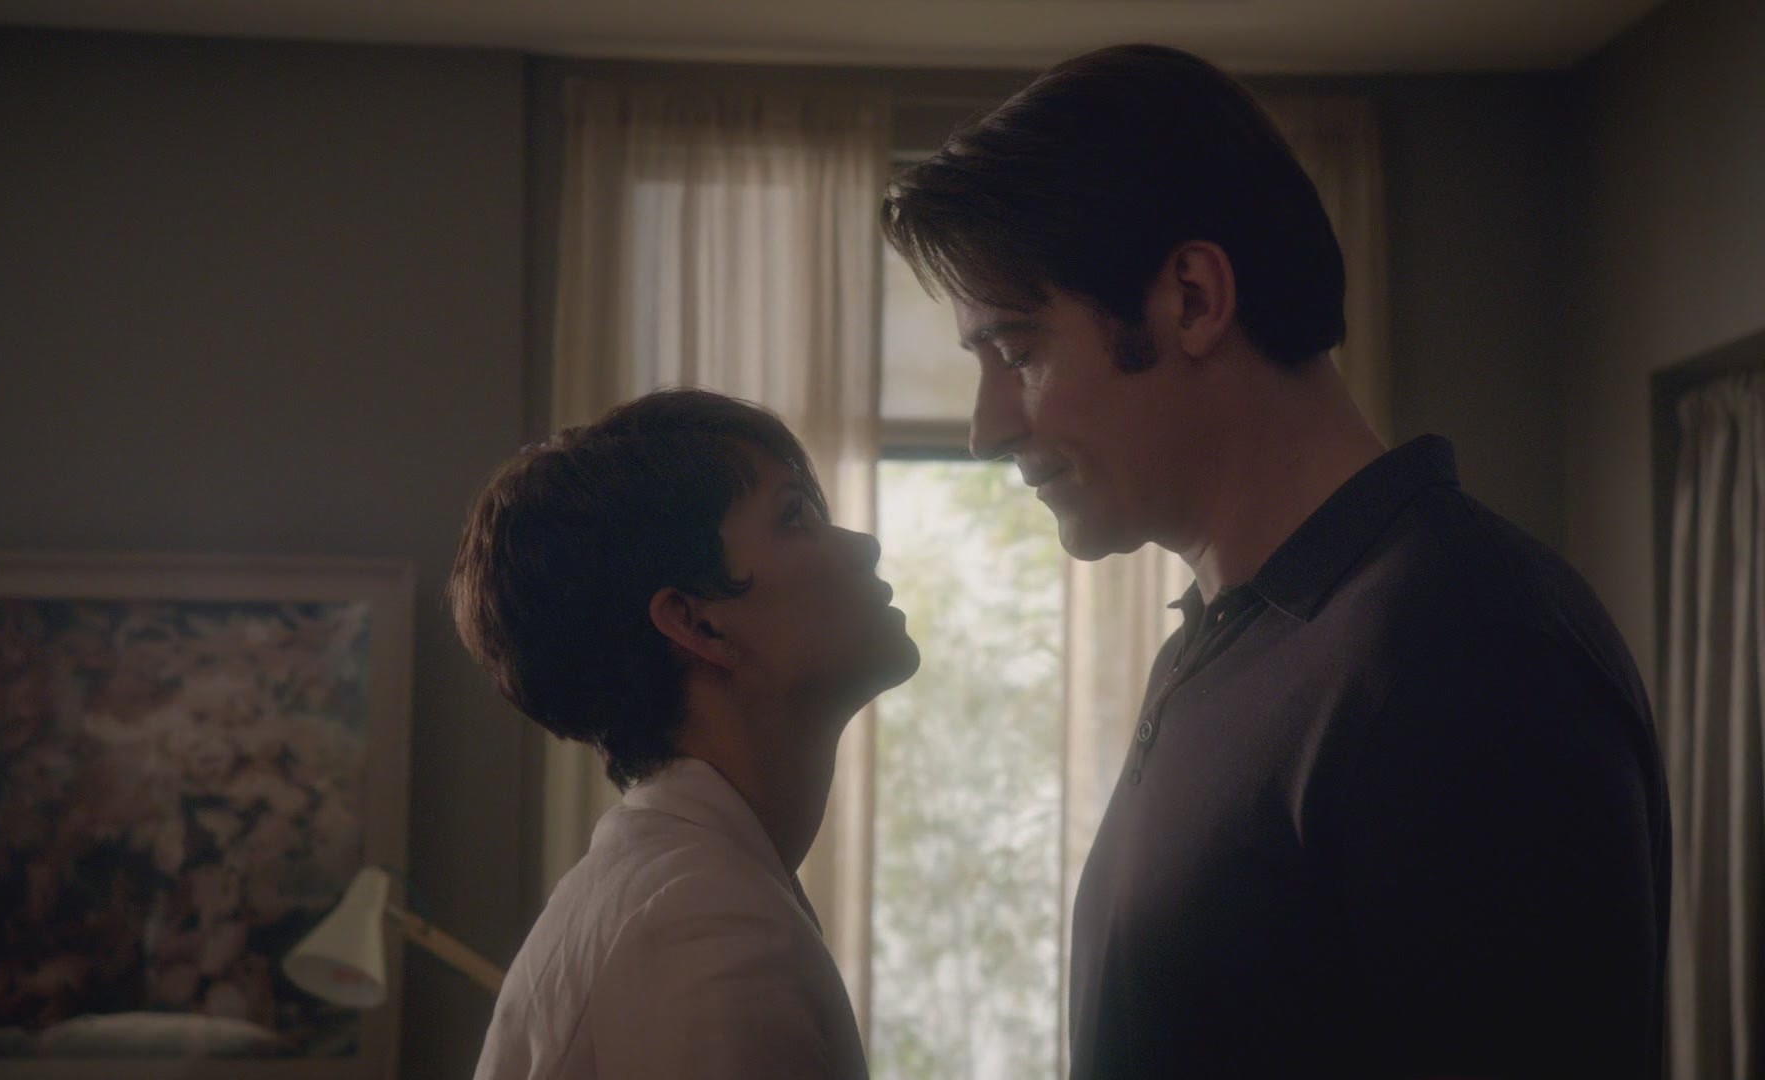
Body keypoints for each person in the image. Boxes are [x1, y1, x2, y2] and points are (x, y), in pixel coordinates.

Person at [881, 43, 1669, 1080]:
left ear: (1194, 299)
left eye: (1019, 353)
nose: (985, 432)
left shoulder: (1468, 652)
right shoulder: (1229, 641)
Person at [451, 387, 915, 1080]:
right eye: (794, 516)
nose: (863, 545)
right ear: (698, 624)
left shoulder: (693, 889)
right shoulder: (702, 924)